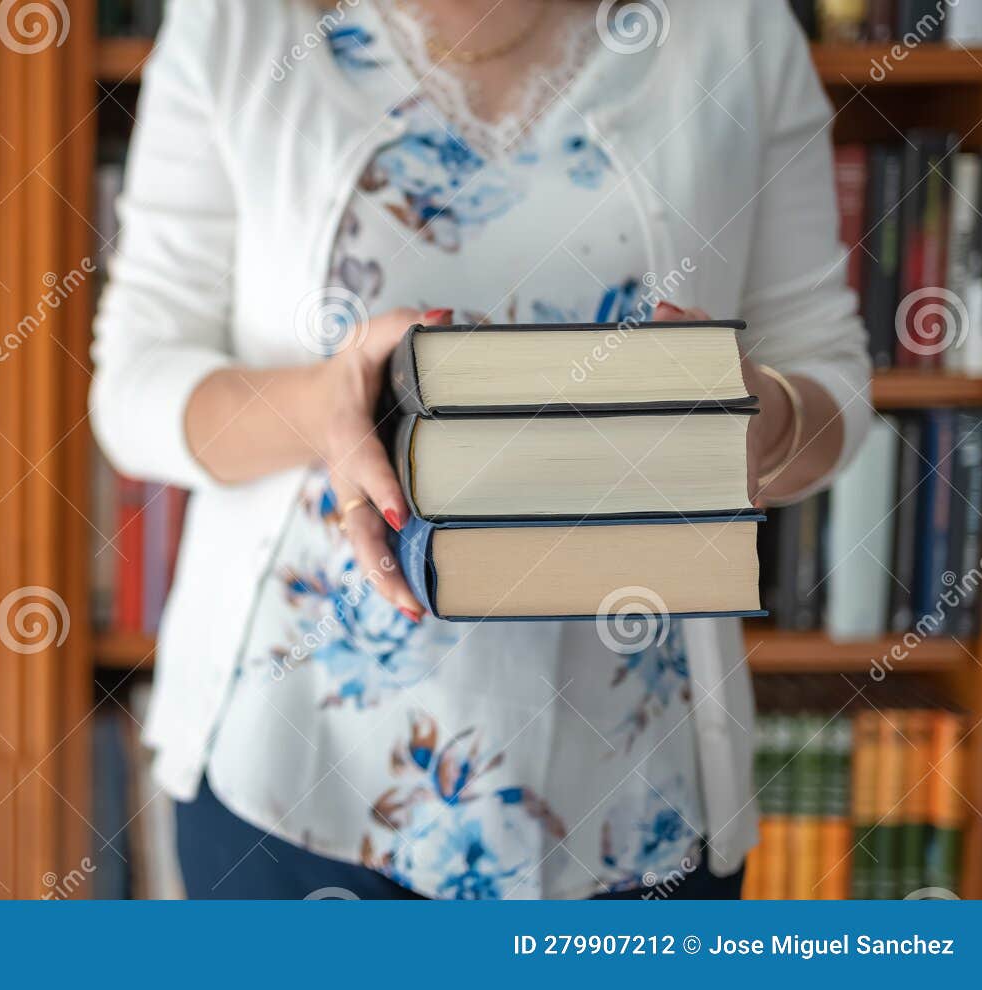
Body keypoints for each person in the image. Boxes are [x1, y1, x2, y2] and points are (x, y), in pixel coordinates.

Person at [89, 0, 871, 899]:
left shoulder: (736, 30)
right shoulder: (239, 24)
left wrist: (762, 423)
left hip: (638, 794)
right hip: (295, 769)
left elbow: (830, 374)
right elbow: (134, 387)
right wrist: (325, 405)